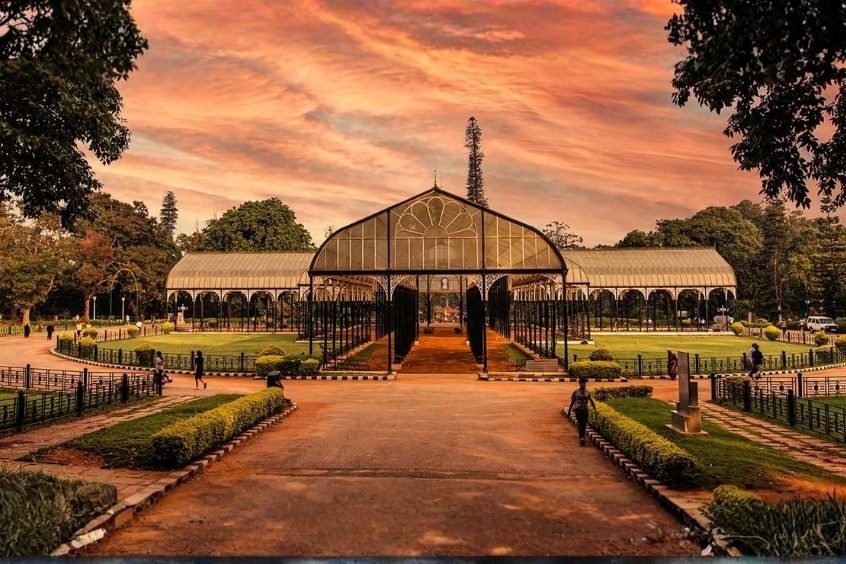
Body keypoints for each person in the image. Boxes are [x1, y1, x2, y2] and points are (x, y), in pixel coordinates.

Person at [567, 377, 597, 447]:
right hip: (578, 410)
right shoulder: (576, 392)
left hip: (585, 410)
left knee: (584, 424)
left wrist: (595, 409)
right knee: (581, 423)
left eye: (585, 383)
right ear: (579, 383)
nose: (584, 384)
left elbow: (591, 401)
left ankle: (582, 437)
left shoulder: (588, 392)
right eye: (582, 383)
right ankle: (582, 437)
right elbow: (572, 401)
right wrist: (569, 410)